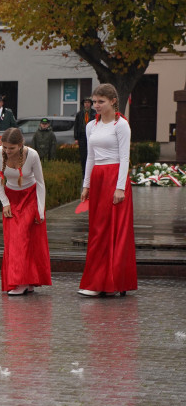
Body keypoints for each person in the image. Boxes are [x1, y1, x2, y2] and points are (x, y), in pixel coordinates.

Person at [78, 84, 136, 297]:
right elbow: (90, 157)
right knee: (98, 230)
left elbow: (124, 157)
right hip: (98, 178)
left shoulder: (121, 125)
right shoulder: (91, 126)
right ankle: (96, 281)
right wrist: (86, 185)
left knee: (115, 231)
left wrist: (120, 188)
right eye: (94, 102)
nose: (96, 106)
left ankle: (113, 282)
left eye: (100, 102)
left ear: (113, 101)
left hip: (115, 178)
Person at [0, 127, 51, 296]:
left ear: (20, 145)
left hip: (30, 197)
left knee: (26, 240)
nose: (7, 151)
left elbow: (40, 182)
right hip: (11, 198)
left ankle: (23, 282)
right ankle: (24, 281)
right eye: (5, 147)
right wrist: (5, 203)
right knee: (13, 240)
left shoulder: (32, 155)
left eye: (12, 148)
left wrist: (40, 210)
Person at [73, 97, 96, 175]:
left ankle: (91, 172)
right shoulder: (79, 114)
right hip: (82, 136)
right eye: (85, 102)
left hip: (91, 136)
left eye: (88, 102)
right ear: (83, 104)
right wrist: (76, 138)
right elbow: (76, 126)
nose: (87, 104)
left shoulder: (94, 113)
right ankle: (84, 172)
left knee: (91, 154)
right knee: (83, 155)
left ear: (91, 104)